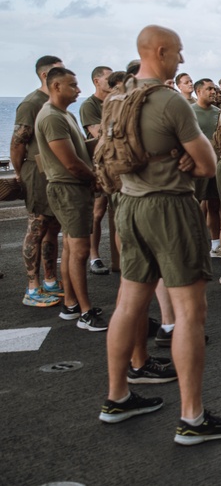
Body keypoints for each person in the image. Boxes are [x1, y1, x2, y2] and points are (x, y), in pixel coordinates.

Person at [101, 25, 221, 445]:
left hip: (128, 205)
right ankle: (192, 418)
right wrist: (183, 154)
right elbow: (207, 165)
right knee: (189, 313)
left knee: (128, 304)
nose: (182, 59)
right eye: (178, 52)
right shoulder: (168, 101)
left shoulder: (116, 98)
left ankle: (117, 397)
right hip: (168, 207)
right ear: (160, 51)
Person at [34, 67, 106, 330]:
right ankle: (85, 312)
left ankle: (72, 304)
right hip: (67, 189)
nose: (79, 89)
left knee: (70, 249)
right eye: (73, 85)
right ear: (56, 86)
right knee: (79, 251)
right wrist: (95, 179)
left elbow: (77, 152)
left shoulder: (64, 114)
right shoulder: (52, 117)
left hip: (72, 188)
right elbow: (70, 162)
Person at [13, 55, 65, 307]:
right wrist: (19, 173)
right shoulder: (31, 103)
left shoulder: (54, 102)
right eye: (60, 71)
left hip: (52, 174)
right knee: (36, 228)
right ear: (45, 75)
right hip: (36, 173)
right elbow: (17, 142)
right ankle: (32, 289)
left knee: (52, 227)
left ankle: (50, 280)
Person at [80, 65, 115, 275]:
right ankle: (94, 256)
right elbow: (97, 133)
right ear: (96, 81)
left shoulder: (116, 101)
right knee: (98, 211)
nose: (112, 82)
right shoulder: (89, 105)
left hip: (117, 164)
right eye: (108, 78)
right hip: (99, 165)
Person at [191, 79, 221, 256]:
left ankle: (215, 244)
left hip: (216, 166)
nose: (213, 92)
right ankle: (194, 243)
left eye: (214, 89)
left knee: (215, 205)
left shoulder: (218, 113)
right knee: (194, 206)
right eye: (209, 89)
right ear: (198, 91)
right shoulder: (190, 112)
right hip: (197, 167)